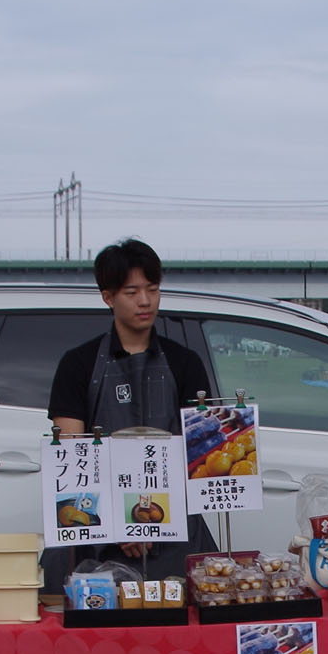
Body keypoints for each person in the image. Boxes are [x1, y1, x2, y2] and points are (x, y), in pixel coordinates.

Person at [47, 239, 216, 581]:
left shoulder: (185, 363)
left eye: (152, 289)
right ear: (108, 296)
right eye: (132, 291)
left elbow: (199, 452)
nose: (145, 301)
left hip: (175, 531)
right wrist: (119, 522)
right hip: (97, 534)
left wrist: (152, 519)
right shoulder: (77, 364)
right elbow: (71, 453)